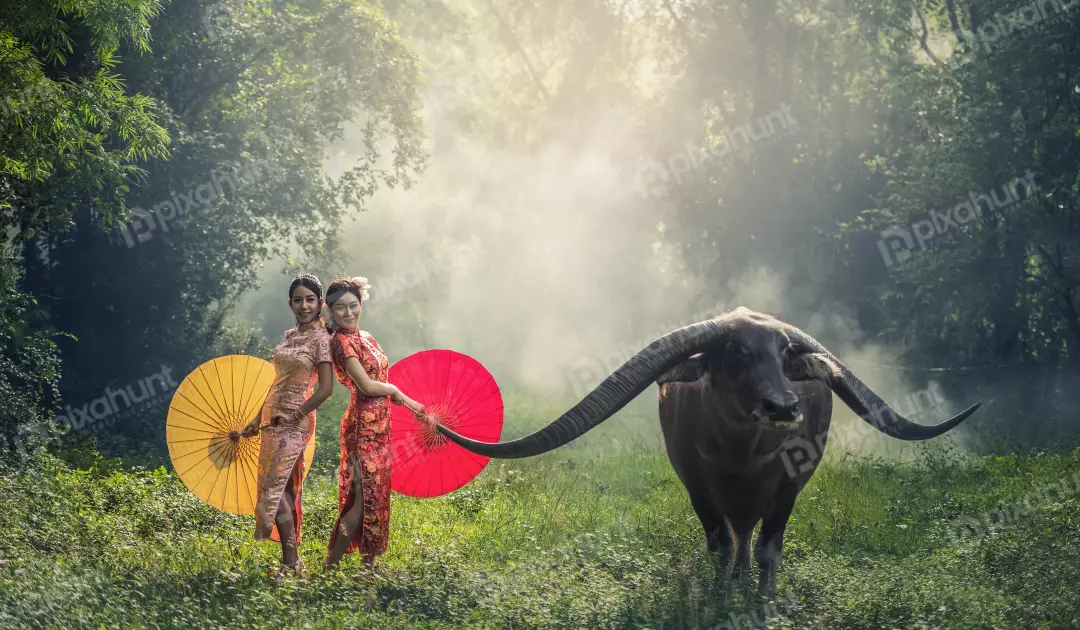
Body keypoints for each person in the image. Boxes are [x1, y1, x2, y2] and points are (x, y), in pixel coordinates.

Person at [322, 276, 430, 572]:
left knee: (376, 495)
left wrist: (414, 406)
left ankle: (367, 567)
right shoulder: (340, 342)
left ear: (361, 304)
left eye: (353, 305)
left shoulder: (367, 337)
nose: (348, 313)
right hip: (362, 427)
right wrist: (396, 391)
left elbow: (382, 382)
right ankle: (330, 567)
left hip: (381, 424)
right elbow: (368, 385)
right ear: (330, 310)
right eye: (340, 307)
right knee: (360, 500)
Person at [235, 273, 334, 579]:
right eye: (298, 300)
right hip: (271, 418)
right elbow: (276, 382)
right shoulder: (289, 336)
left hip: (296, 420)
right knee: (279, 491)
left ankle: (291, 563)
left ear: (320, 303)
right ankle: (292, 562)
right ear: (290, 304)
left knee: (276, 493)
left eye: (310, 300)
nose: (304, 306)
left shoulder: (321, 338)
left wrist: (295, 415)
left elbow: (326, 389)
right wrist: (257, 418)